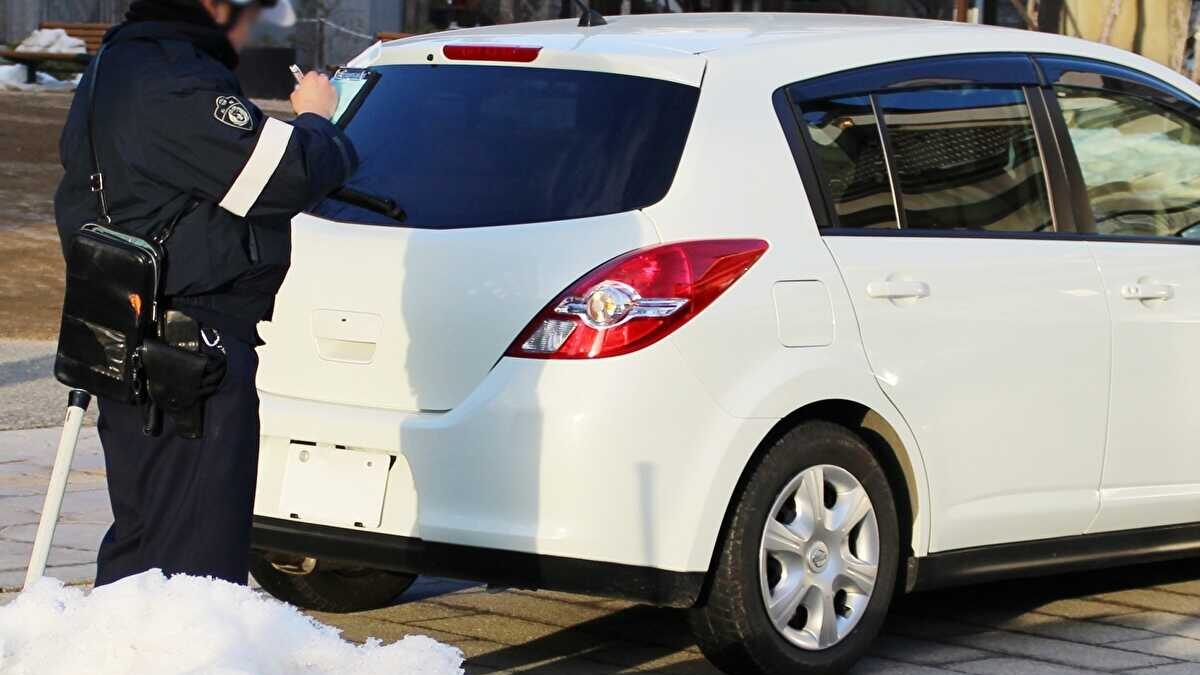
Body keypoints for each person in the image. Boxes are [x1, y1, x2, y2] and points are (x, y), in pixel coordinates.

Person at [54, 0, 358, 585]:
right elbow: (282, 174)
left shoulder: (119, 63)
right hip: (186, 348)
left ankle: (124, 653)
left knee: (148, 541)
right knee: (195, 558)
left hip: (135, 330)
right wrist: (318, 119)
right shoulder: (172, 77)